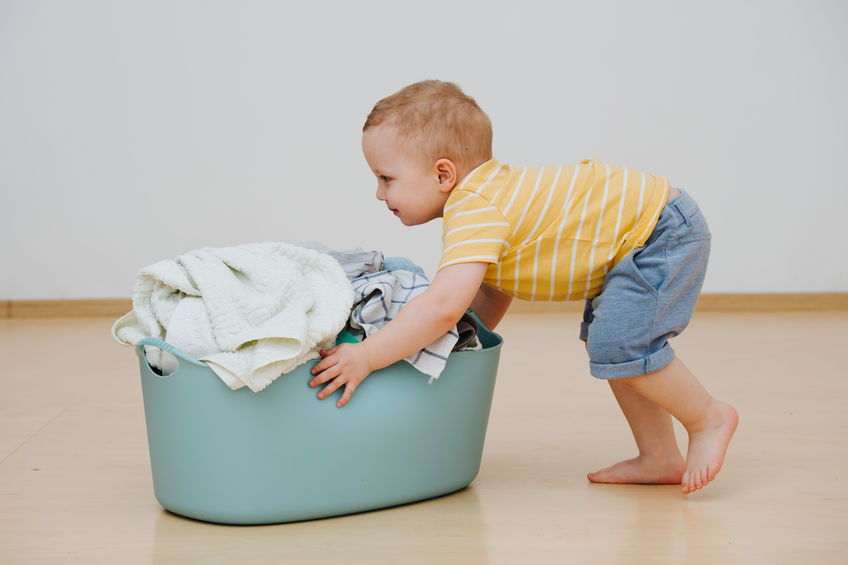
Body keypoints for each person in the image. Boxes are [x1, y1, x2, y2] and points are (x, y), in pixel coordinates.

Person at [309, 80, 737, 494]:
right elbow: (496, 287)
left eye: (386, 178)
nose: (380, 194)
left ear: (443, 174)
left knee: (621, 344)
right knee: (612, 346)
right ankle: (660, 457)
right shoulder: (490, 196)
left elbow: (443, 304)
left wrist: (367, 355)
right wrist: (461, 344)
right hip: (640, 233)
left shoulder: (474, 206)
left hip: (659, 231)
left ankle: (708, 418)